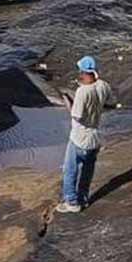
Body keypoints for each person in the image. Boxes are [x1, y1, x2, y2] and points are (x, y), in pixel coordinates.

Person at [56, 56, 114, 213]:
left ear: (83, 71)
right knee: (87, 171)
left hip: (79, 138)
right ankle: (83, 198)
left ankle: (72, 203)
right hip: (95, 139)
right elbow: (109, 104)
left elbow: (76, 116)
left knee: (70, 171)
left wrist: (68, 101)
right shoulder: (103, 85)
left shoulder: (82, 92)